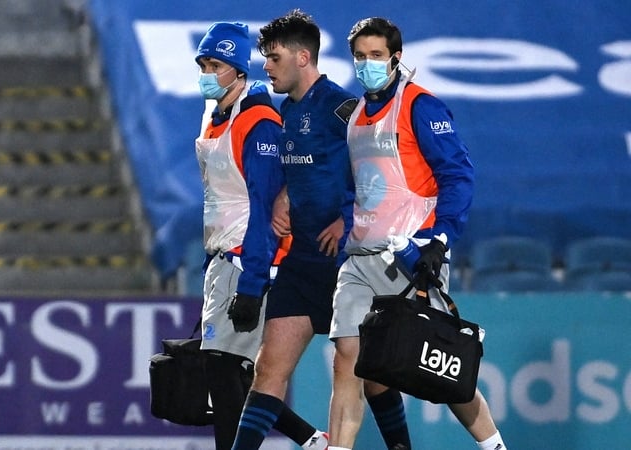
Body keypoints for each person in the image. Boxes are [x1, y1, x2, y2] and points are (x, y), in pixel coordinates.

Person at [229, 10, 410, 450]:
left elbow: (379, 174)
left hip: (346, 264)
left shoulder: (342, 108)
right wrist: (285, 195)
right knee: (269, 371)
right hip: (302, 262)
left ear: (303, 57)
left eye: (273, 58)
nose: (266, 67)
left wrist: (346, 218)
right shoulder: (285, 111)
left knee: (372, 377)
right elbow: (302, 167)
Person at [329, 17, 508, 450]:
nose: (367, 64)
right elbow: (358, 187)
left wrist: (440, 241)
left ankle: (495, 447)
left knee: (443, 373)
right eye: (359, 57)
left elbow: (458, 175)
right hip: (360, 258)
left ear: (396, 58)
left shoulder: (420, 106)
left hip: (410, 258)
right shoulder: (352, 116)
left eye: (375, 56)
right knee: (348, 361)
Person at [193, 21, 328, 450]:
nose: (206, 73)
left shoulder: (258, 124)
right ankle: (312, 441)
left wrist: (253, 282)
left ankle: (308, 441)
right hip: (223, 259)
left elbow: (263, 208)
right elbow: (220, 201)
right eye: (202, 64)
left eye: (215, 65)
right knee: (234, 373)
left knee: (225, 370)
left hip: (245, 259)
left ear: (236, 69)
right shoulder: (217, 116)